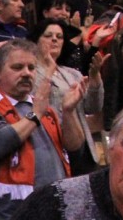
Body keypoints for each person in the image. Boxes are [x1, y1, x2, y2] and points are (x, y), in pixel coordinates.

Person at [0, 39, 80, 220]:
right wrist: (35, 114)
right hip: (11, 215)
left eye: (31, 68)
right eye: (17, 67)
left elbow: (74, 145)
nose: (27, 73)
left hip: (53, 207)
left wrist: (69, 111)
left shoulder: (44, 108)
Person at [31, 17, 103, 172]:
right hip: (52, 147)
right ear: (36, 41)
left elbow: (93, 107)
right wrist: (49, 70)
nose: (54, 40)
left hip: (82, 146)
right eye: (48, 36)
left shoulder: (72, 73)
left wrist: (95, 77)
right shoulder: (30, 73)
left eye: (59, 37)